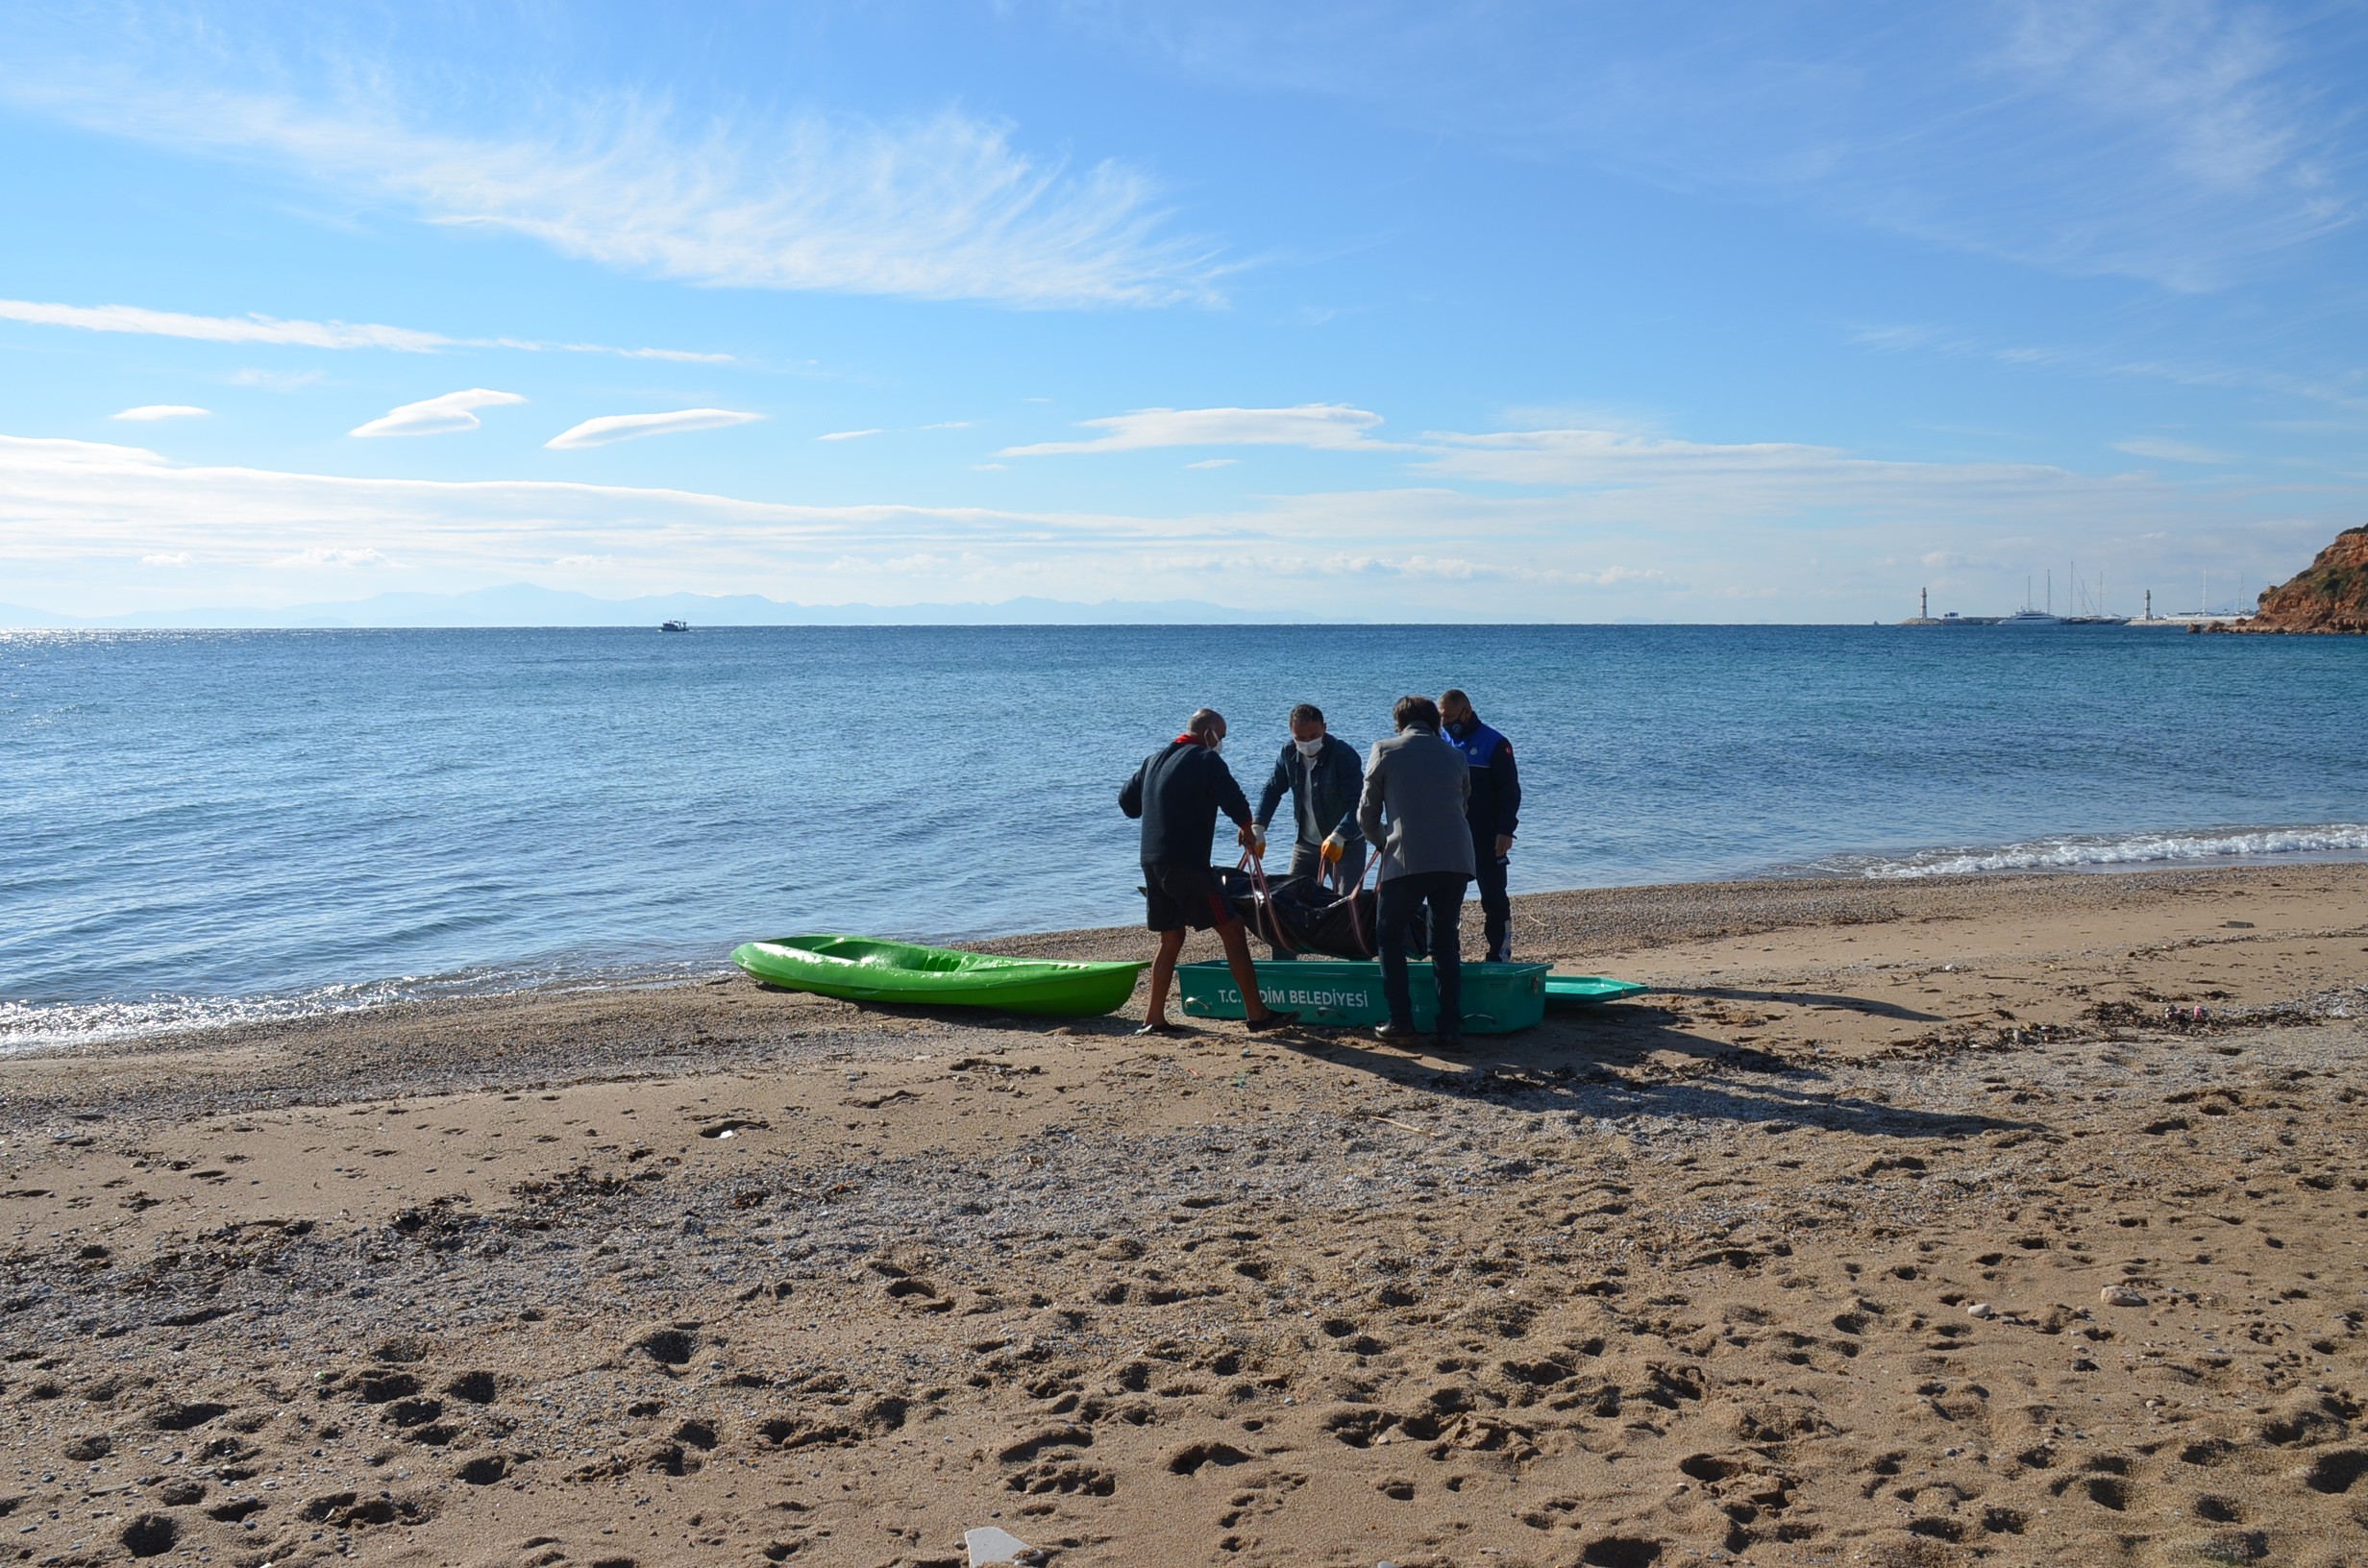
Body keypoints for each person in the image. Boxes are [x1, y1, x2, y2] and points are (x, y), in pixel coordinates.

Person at [1118, 707, 1299, 1038]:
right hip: (1187, 864)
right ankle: (1257, 1015)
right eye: (1222, 737)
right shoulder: (1205, 759)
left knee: (1171, 938)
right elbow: (1233, 798)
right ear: (1209, 733)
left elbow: (1127, 804)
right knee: (1231, 928)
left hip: (1152, 862)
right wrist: (1248, 829)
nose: (1222, 744)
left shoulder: (1154, 759)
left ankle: (1153, 1018)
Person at [1355, 695, 1474, 1047]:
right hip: (1456, 858)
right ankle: (1450, 1027)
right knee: (1444, 941)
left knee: (1389, 936)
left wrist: (1383, 842)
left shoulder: (1385, 750)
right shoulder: (1455, 755)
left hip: (1408, 859)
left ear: (1399, 724)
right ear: (1435, 723)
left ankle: (1401, 1021)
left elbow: (1366, 814)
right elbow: (1462, 804)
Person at [1439, 687, 1521, 962]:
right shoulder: (1441, 741)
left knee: (1494, 898)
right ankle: (1449, 955)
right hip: (1452, 836)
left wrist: (1506, 830)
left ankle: (1500, 953)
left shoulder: (1495, 743)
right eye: (1441, 718)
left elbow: (1510, 791)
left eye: (1450, 717)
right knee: (1447, 900)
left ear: (1466, 711)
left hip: (1488, 836)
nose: (1446, 723)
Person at [1252, 702, 1368, 892]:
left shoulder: (1343, 755)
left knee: (1347, 905)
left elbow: (1359, 803)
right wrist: (1258, 826)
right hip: (1306, 846)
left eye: (1314, 736)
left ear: (1324, 728)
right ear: (1291, 733)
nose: (1307, 743)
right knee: (1289, 899)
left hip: (1346, 846)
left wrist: (1339, 835)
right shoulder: (1288, 752)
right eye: (1300, 738)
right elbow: (1272, 789)